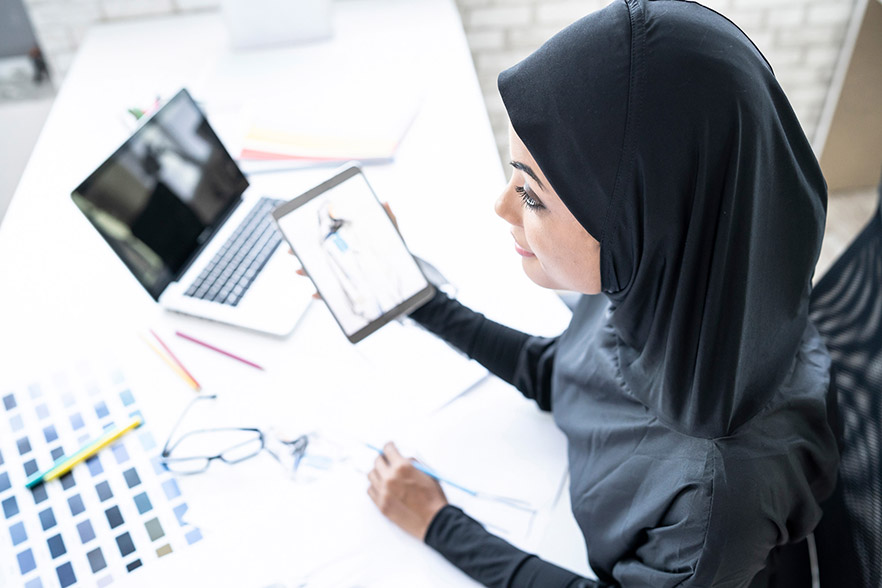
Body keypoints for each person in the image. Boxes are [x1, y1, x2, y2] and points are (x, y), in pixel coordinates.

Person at [365, 0, 841, 586]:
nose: (502, 206)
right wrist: (414, 297)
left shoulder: (715, 500)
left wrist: (441, 525)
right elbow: (564, 376)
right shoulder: (663, 282)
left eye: (532, 194)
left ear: (645, 224)